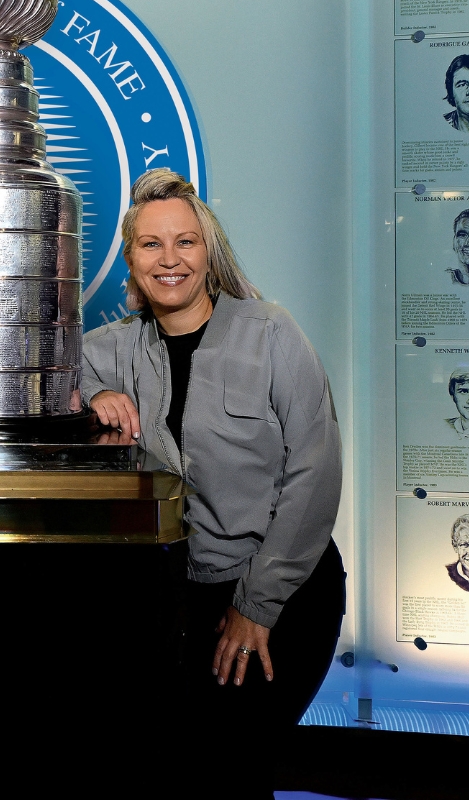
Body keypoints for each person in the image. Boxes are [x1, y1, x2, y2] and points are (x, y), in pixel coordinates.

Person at [81, 168, 344, 800]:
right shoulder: (109, 349)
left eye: (185, 242)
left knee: (233, 768)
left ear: (209, 251)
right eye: (150, 244)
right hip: (177, 599)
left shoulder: (271, 330)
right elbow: (43, 382)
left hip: (283, 588)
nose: (169, 260)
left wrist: (256, 608)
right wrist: (96, 395)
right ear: (130, 258)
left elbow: (317, 469)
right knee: (171, 772)